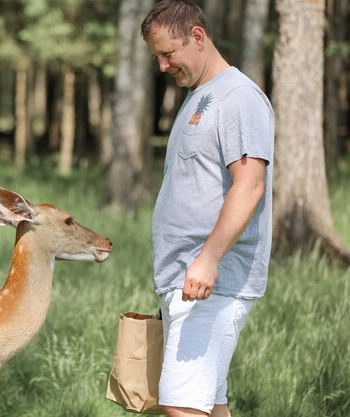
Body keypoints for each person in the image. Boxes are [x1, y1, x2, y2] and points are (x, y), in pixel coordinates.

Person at [140, 1, 274, 417]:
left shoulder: (239, 98)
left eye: (168, 54)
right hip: (187, 280)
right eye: (157, 57)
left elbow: (250, 185)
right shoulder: (202, 95)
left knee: (182, 406)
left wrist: (208, 260)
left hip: (210, 283)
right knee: (211, 407)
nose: (163, 66)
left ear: (197, 38)